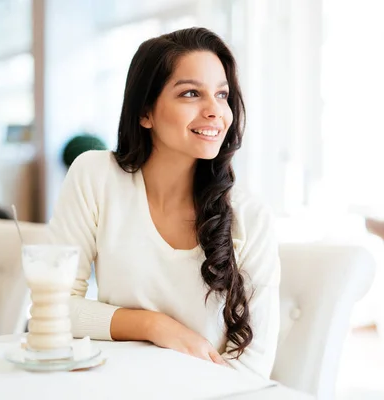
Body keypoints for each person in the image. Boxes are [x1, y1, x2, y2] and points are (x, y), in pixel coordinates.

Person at [48, 27, 281, 378]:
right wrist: (153, 326)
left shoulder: (250, 218)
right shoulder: (95, 176)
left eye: (222, 94)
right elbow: (53, 309)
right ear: (146, 113)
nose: (215, 110)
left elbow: (252, 366)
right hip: (111, 385)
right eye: (191, 93)